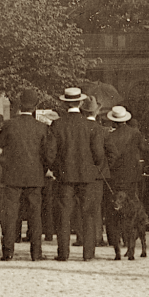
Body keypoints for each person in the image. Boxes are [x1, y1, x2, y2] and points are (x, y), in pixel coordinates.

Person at [50, 89, 107, 262]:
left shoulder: (57, 125)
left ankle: (63, 253)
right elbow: (98, 155)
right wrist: (92, 167)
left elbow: (51, 154)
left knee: (64, 215)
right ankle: (88, 253)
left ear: (64, 103)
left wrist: (56, 168)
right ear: (81, 103)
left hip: (65, 177)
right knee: (88, 215)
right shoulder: (92, 126)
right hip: (87, 177)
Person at [0, 88, 51, 261]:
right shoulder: (42, 127)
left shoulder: (8, 124)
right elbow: (47, 154)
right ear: (36, 106)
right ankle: (36, 253)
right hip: (35, 177)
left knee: (10, 214)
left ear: (20, 104)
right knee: (35, 216)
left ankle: (7, 252)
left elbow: (0, 145)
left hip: (12, 176)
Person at [103, 105, 145, 254]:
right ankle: (130, 243)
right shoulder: (136, 133)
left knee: (113, 208)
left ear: (114, 121)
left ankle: (115, 240)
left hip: (114, 177)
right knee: (131, 209)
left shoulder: (109, 136)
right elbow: (143, 151)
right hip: (132, 177)